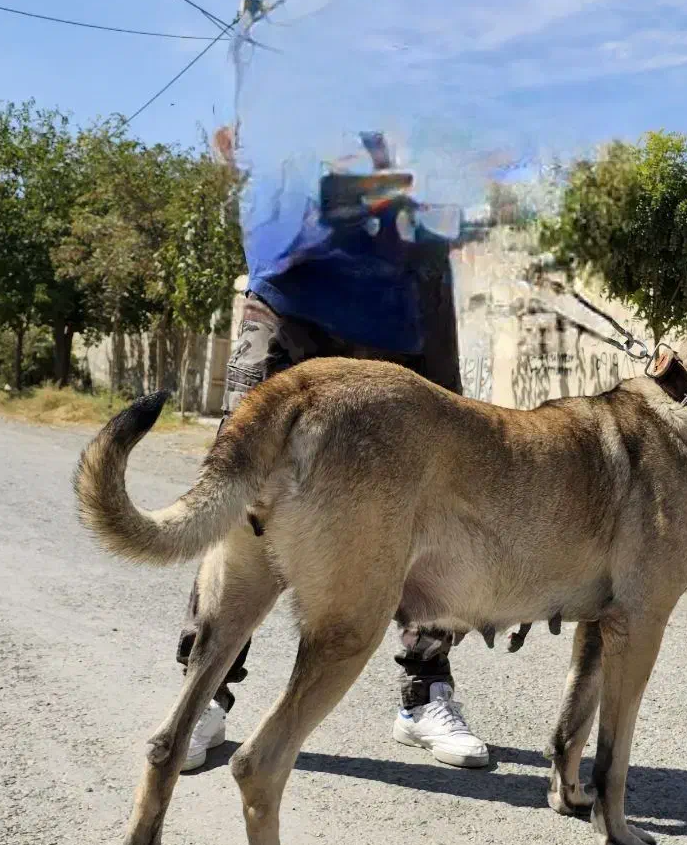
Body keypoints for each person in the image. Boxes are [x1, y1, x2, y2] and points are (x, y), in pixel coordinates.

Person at [174, 122, 489, 774]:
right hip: (293, 288)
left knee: (434, 490)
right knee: (245, 485)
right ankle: (204, 691)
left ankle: (425, 692)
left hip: (408, 290)